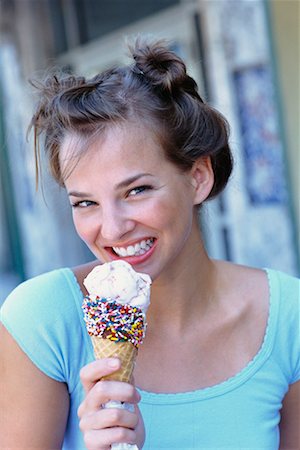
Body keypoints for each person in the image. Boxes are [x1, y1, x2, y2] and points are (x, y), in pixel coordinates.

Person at [0, 37, 299, 450]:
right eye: (85, 202)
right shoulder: (45, 321)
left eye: (137, 190)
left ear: (198, 177)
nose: (112, 227)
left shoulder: (288, 319)